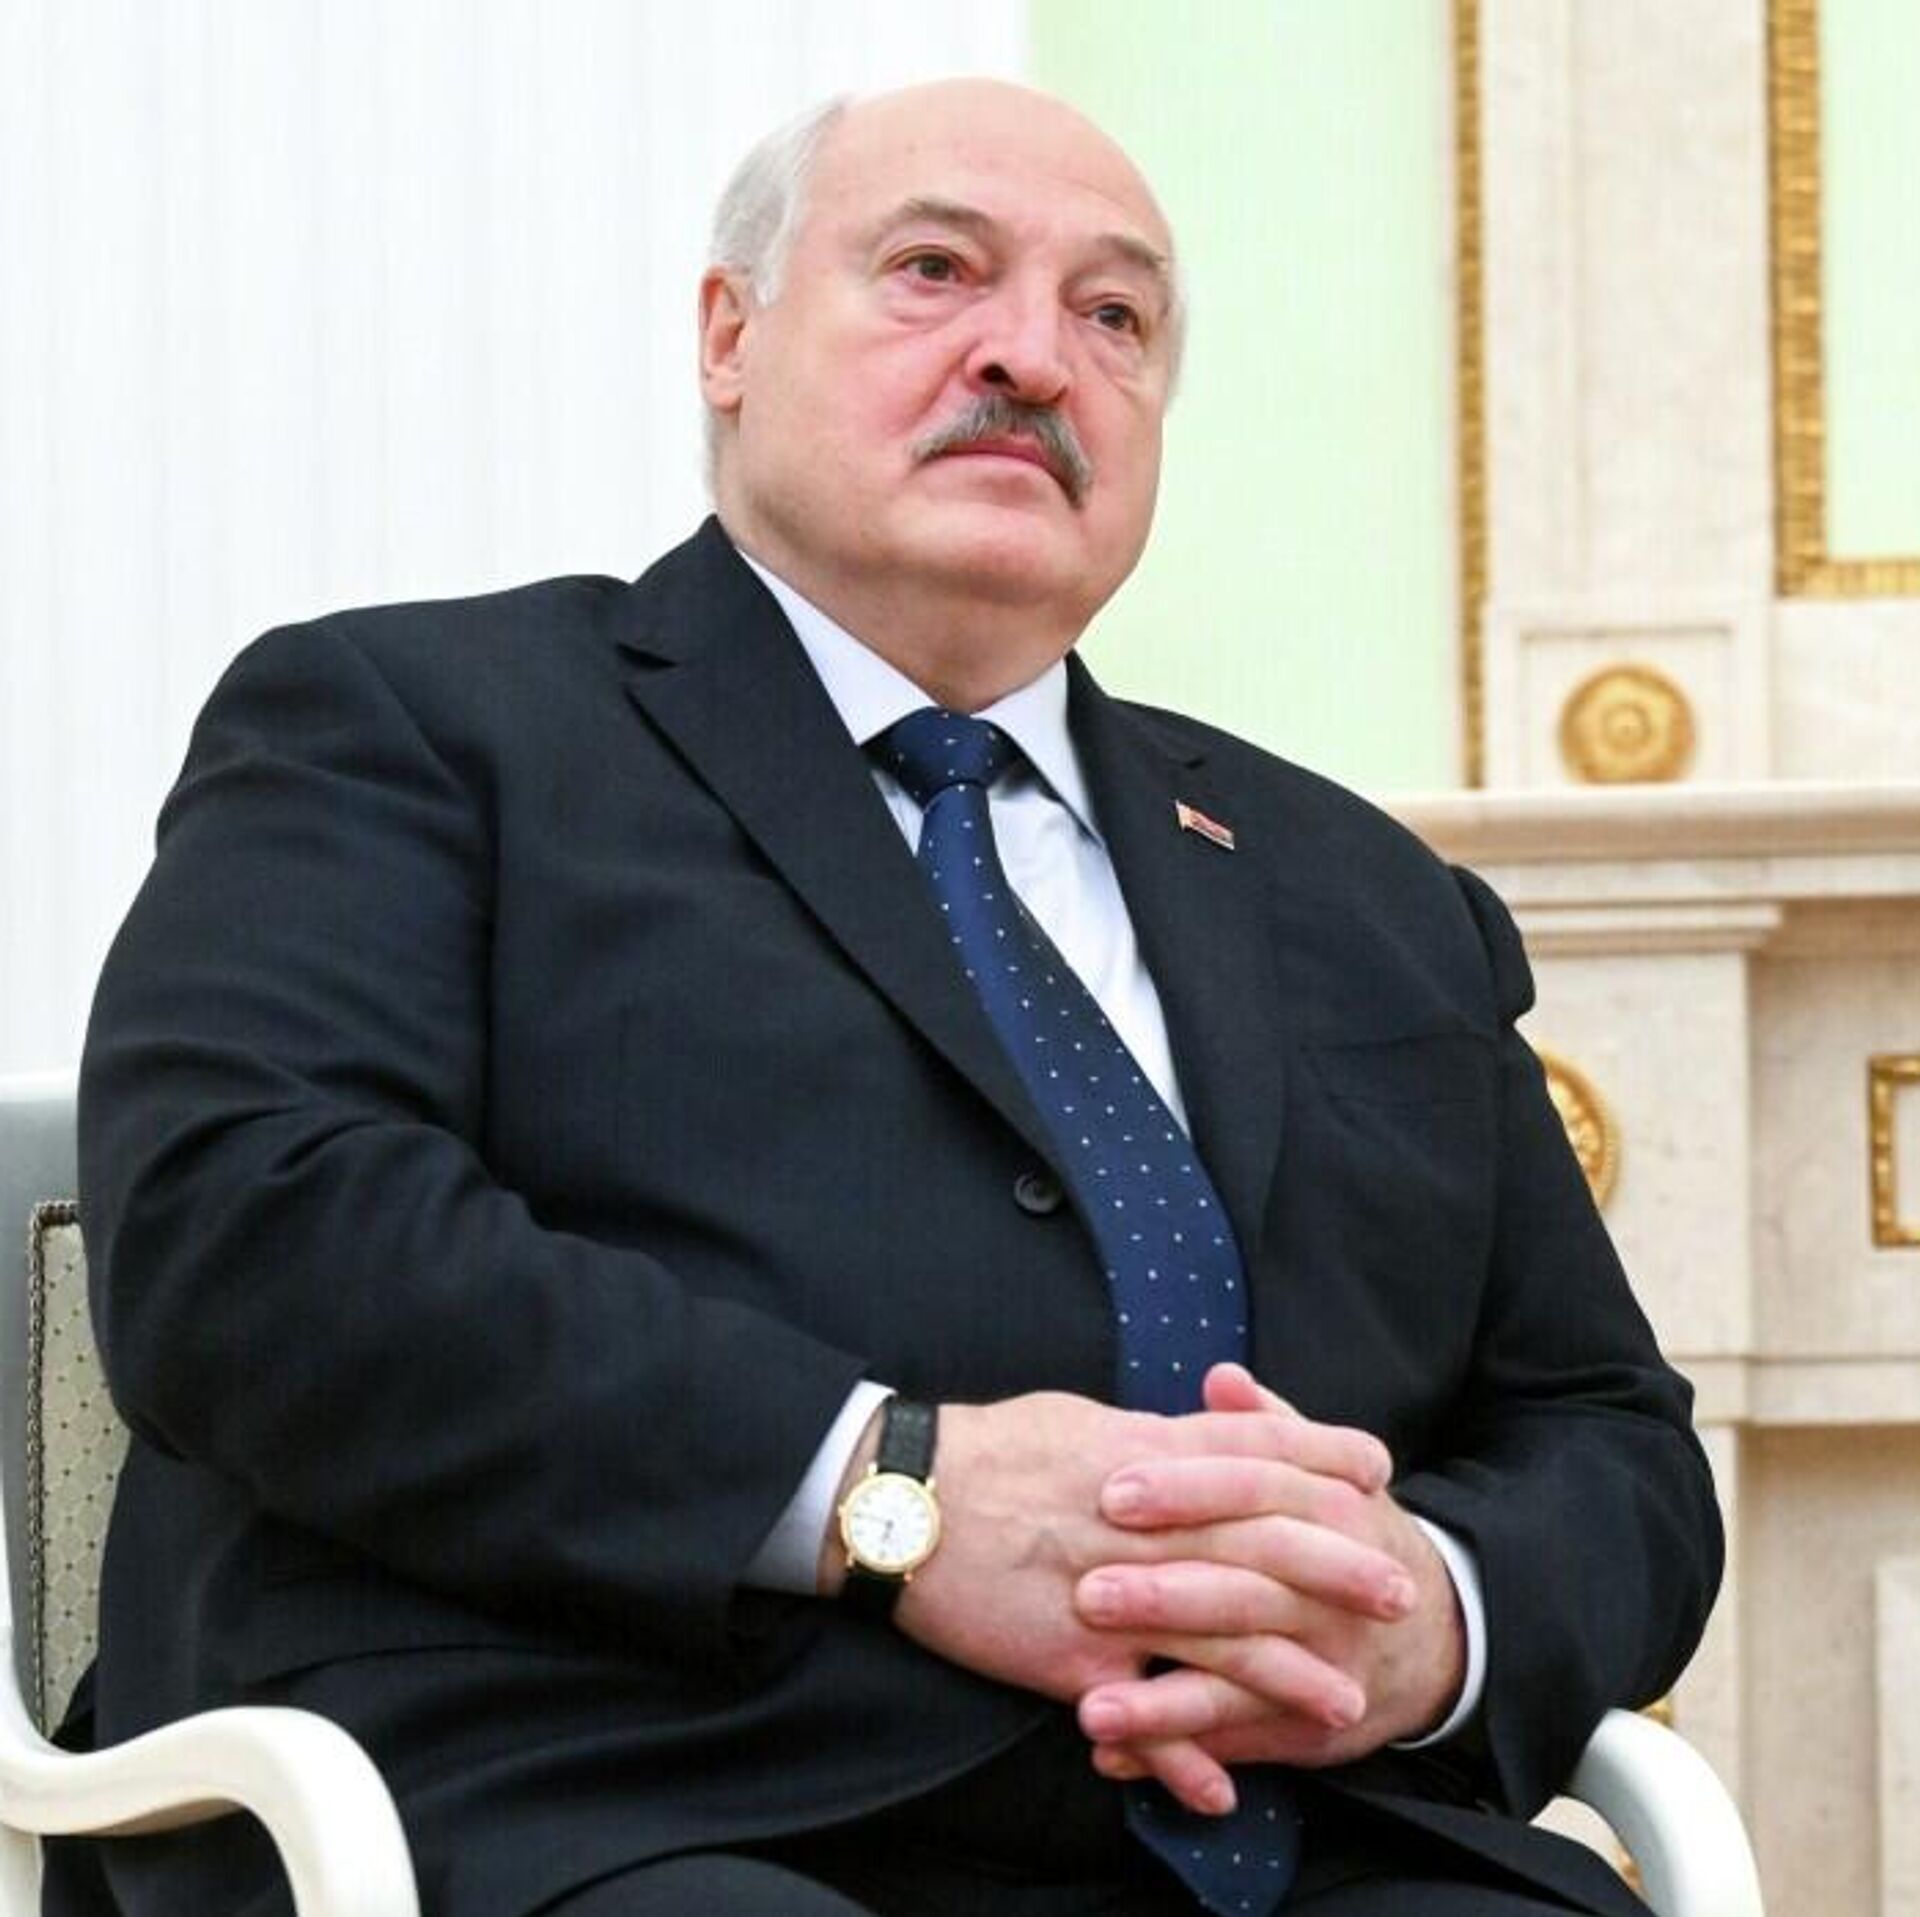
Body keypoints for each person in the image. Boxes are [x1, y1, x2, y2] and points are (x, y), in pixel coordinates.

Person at [65, 78, 1722, 1917]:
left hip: (1298, 1837)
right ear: (730, 336)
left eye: (1114, 314)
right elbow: (246, 1235)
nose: (1033, 356)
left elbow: (1612, 1438)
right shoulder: (423, 728)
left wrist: (1431, 1614)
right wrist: (885, 1485)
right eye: (937, 270)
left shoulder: (1367, 891)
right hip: (620, 1804)